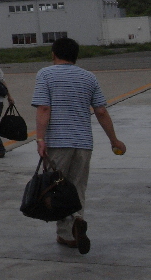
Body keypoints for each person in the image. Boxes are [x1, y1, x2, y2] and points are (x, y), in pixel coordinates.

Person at [33, 37, 126, 254]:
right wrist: (114, 140)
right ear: (76, 56)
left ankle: (66, 233)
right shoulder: (88, 77)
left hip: (58, 142)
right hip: (83, 143)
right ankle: (76, 221)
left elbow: (44, 109)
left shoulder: (45, 74)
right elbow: (101, 111)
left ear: (54, 54)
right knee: (77, 187)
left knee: (56, 188)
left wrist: (40, 139)